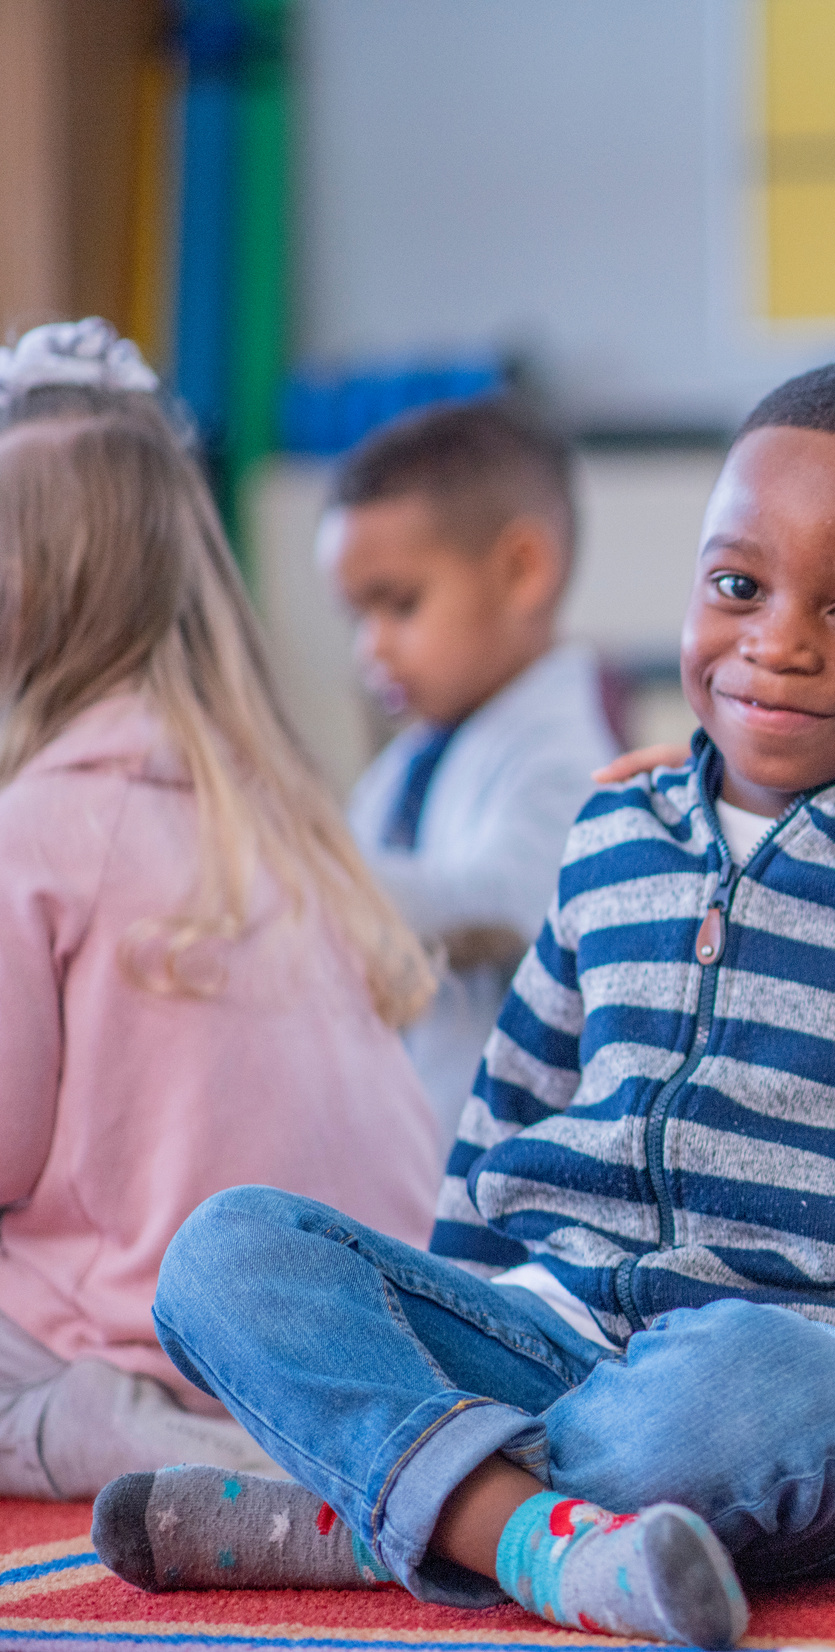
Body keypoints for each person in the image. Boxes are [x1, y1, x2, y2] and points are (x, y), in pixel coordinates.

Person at [102, 362, 835, 1650]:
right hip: (554, 1318)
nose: (776, 641)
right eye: (737, 586)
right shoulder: (615, 828)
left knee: (719, 1406)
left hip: (825, 1361)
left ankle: (369, 1504)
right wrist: (446, 1312)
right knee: (225, 1250)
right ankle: (524, 1528)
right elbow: (511, 1103)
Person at [0, 322, 440, 1500]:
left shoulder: (37, 827)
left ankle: (109, 1433)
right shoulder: (282, 812)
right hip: (372, 1334)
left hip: (159, 1351)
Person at [327, 397, 619, 1144]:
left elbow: (495, 906)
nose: (371, 648)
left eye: (400, 605)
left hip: (494, 1193)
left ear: (523, 571)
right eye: (358, 617)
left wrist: (297, 860)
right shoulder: (410, 760)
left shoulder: (566, 757)